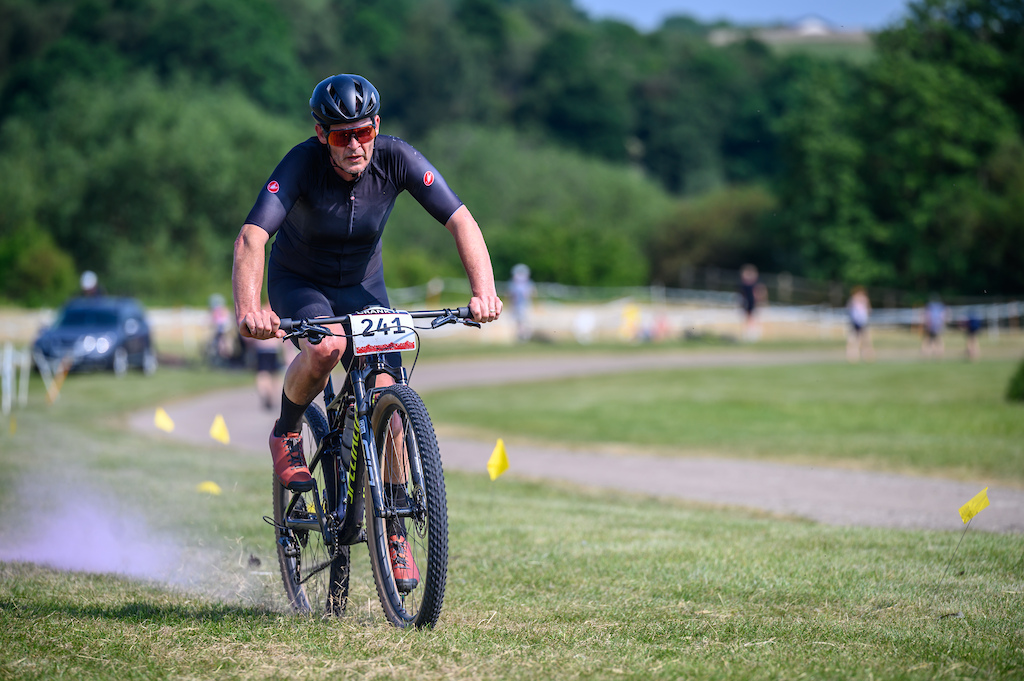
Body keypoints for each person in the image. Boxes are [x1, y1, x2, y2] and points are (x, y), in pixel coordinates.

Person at [232, 73, 502, 587]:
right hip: (301, 283)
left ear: (376, 127)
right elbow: (251, 238)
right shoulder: (300, 165)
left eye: (363, 131)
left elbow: (461, 221)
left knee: (391, 405)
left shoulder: (398, 158)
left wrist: (483, 292)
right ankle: (288, 429)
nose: (354, 144)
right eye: (340, 135)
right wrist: (251, 309)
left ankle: (394, 529)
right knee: (328, 345)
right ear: (321, 135)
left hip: (363, 290)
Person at [846, 286, 875, 363]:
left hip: (863, 322)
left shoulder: (865, 300)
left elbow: (869, 310)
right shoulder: (853, 300)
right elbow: (849, 310)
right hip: (854, 322)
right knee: (853, 340)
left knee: (866, 340)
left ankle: (868, 356)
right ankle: (853, 357)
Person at [738, 264, 767, 341]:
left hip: (753, 303)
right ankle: (748, 333)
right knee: (747, 318)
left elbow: (760, 294)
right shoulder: (744, 285)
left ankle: (753, 333)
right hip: (747, 303)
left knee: (753, 318)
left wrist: (760, 301)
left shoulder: (756, 284)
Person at [508, 263, 535, 342]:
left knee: (524, 321)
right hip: (517, 305)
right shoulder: (514, 284)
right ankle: (521, 336)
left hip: (524, 305)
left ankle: (525, 336)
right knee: (519, 322)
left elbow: (531, 293)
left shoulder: (526, 283)